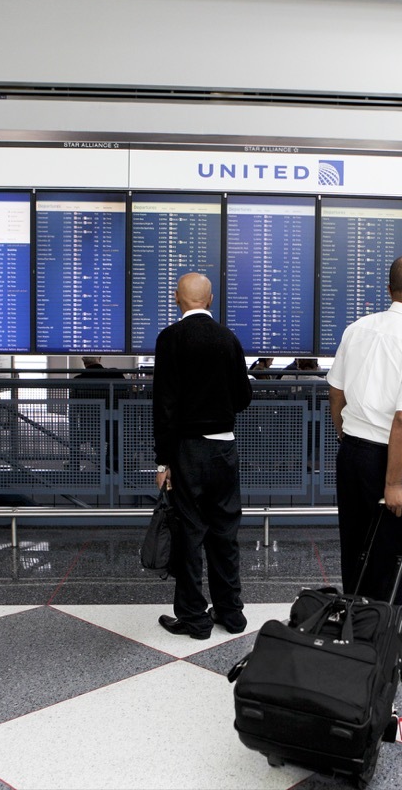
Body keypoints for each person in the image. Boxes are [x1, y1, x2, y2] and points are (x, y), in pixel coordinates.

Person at [327, 255, 402, 683]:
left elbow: (335, 391)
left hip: (354, 455)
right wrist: (394, 482)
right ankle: (383, 665)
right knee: (395, 567)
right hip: (395, 464)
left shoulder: (357, 330)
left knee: (356, 557)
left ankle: (353, 649)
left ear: (389, 289)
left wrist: (344, 434)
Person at [153, 273, 253, 639]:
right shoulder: (229, 339)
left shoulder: (170, 339)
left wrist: (163, 462)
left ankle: (195, 619)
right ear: (209, 299)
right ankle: (231, 613)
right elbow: (243, 397)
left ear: (177, 299)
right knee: (225, 533)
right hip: (224, 448)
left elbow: (163, 405)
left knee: (189, 535)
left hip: (187, 451)